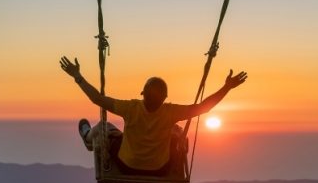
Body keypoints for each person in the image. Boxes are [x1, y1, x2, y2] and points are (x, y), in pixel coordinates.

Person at [60, 55, 247, 176]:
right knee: (176, 131)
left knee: (104, 127)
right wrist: (227, 87)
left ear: (143, 94)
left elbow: (97, 99)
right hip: (160, 168)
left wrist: (77, 76)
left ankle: (87, 138)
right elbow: (204, 107)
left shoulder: (131, 107)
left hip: (127, 164)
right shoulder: (170, 112)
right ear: (165, 98)